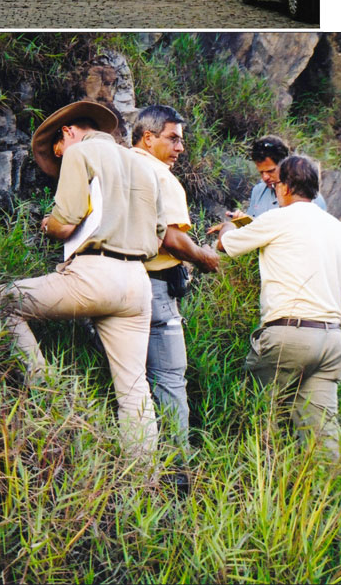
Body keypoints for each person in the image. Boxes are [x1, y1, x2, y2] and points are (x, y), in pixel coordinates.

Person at [0, 100, 163, 451]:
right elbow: (159, 234)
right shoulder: (144, 166)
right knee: (134, 389)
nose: (59, 158)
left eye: (58, 149)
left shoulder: (80, 153)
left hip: (95, 274)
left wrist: (48, 224)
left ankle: (50, 402)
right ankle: (144, 482)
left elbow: (64, 223)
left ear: (68, 132)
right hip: (138, 283)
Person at [211, 154, 341, 464]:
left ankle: (252, 486)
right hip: (331, 343)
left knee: (255, 415)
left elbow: (227, 246)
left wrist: (227, 228)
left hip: (288, 335)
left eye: (277, 183)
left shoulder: (278, 218)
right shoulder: (340, 231)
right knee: (324, 438)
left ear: (287, 188)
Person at [129, 105, 218, 449]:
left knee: (130, 382)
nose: (181, 148)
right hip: (154, 291)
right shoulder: (161, 176)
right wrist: (204, 257)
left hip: (109, 282)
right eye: (174, 139)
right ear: (148, 138)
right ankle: (177, 472)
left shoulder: (114, 165)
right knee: (168, 380)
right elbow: (172, 238)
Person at [246, 136, 327, 217]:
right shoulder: (258, 191)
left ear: (285, 164)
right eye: (261, 172)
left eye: (271, 171)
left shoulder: (311, 199)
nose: (265, 177)